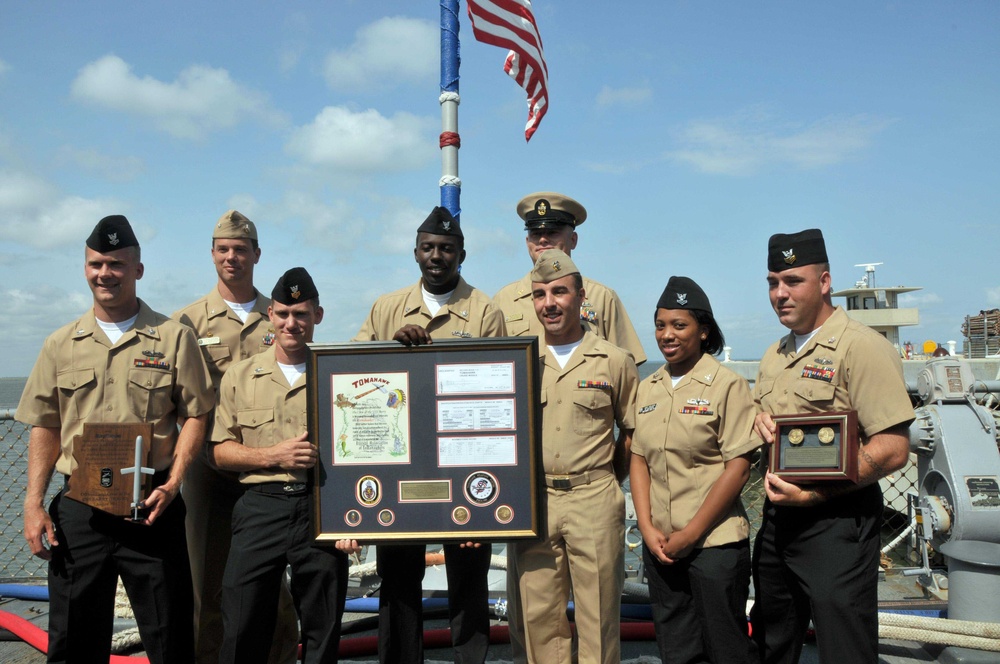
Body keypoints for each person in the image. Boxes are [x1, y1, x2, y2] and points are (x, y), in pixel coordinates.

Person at [16, 215, 214, 664]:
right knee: (72, 641)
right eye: (96, 264)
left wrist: (175, 481)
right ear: (86, 268)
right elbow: (45, 424)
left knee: (171, 639)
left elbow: (198, 415)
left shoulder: (173, 338)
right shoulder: (60, 344)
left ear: (137, 270)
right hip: (80, 511)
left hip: (151, 507)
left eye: (117, 264)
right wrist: (32, 504)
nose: (105, 273)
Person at [346, 206, 506, 664]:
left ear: (462, 254)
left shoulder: (485, 310)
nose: (437, 256)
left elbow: (497, 392)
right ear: (416, 252)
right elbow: (352, 377)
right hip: (400, 461)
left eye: (447, 249)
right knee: (398, 580)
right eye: (429, 248)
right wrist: (389, 349)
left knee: (469, 575)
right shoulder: (386, 307)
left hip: (464, 462)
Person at [749, 229, 914, 664]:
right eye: (772, 282)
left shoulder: (862, 348)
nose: (779, 294)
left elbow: (894, 448)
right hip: (778, 520)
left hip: (837, 521)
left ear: (824, 282)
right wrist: (757, 421)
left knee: (844, 648)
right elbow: (764, 422)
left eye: (792, 281)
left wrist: (814, 494)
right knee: (772, 642)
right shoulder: (774, 354)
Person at [173, 209, 298, 664]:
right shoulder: (185, 323)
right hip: (210, 472)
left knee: (275, 590)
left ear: (257, 255)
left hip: (270, 472)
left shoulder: (279, 317)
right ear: (211, 255)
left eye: (241, 249)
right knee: (206, 586)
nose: (232, 257)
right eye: (224, 249)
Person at [212, 268, 349, 664]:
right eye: (284, 313)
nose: (292, 323)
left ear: (317, 316)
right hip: (260, 507)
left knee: (323, 628)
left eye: (302, 314)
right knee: (241, 623)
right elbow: (220, 452)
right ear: (270, 314)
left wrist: (355, 520)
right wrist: (274, 456)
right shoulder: (239, 376)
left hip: (320, 511)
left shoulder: (338, 374)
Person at [509, 249, 638, 664]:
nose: (549, 303)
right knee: (540, 620)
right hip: (536, 502)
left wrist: (605, 481)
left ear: (580, 297)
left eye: (560, 292)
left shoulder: (614, 360)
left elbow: (631, 432)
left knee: (598, 619)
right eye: (540, 294)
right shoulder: (520, 361)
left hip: (594, 498)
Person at [629, 276, 758, 664]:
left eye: (679, 325)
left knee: (726, 648)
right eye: (660, 325)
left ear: (704, 331)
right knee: (676, 648)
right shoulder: (647, 387)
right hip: (662, 545)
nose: (667, 335)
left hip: (713, 545)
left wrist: (691, 533)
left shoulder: (727, 386)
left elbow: (738, 467)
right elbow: (639, 459)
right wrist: (647, 527)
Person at [493, 191, 646, 365]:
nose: (543, 239)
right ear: (528, 242)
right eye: (536, 233)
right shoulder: (504, 300)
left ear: (573, 240)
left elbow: (627, 367)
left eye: (552, 232)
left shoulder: (602, 297)